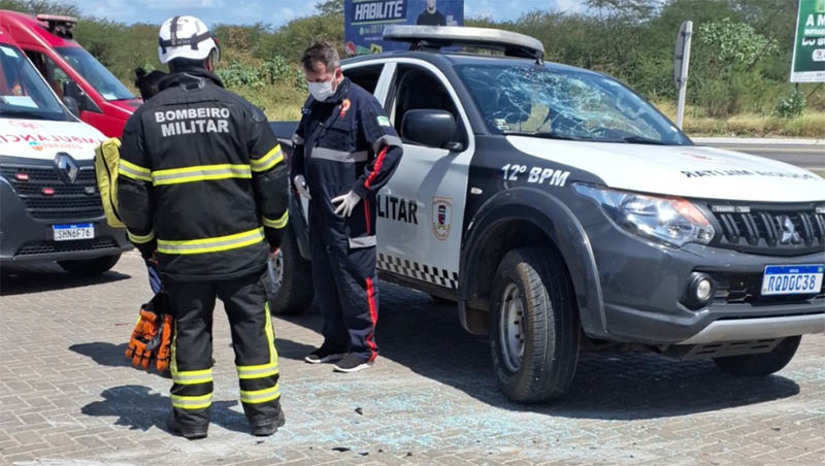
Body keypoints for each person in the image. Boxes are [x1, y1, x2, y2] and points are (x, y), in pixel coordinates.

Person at [117, 15, 289, 439]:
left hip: (181, 257)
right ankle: (264, 416)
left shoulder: (144, 119)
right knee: (252, 331)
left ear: (166, 59)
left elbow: (132, 195)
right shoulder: (243, 110)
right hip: (243, 254)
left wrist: (146, 246)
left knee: (191, 331)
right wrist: (275, 235)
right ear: (211, 56)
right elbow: (273, 181)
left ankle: (192, 420)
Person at [292, 42, 403, 373]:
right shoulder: (314, 105)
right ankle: (334, 343)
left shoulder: (362, 104)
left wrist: (360, 191)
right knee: (325, 278)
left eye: (319, 79)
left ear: (336, 73)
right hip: (320, 208)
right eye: (309, 80)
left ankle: (362, 348)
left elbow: (390, 150)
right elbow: (300, 145)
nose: (314, 85)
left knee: (354, 278)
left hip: (352, 212)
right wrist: (297, 174)